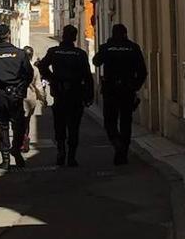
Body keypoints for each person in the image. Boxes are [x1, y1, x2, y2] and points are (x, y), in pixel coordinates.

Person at [38, 25, 94, 167]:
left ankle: (61, 151)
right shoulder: (80, 54)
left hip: (60, 94)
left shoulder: (54, 52)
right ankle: (71, 157)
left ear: (63, 36)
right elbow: (88, 76)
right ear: (74, 37)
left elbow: (42, 66)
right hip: (76, 94)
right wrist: (89, 95)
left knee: (60, 125)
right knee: (74, 127)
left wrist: (52, 79)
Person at [93, 24, 147, 165]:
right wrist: (135, 86)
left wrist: (106, 47)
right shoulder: (133, 48)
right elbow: (142, 71)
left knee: (109, 122)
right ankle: (123, 153)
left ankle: (117, 143)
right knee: (125, 122)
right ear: (125, 33)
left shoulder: (107, 48)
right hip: (127, 91)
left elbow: (96, 61)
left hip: (110, 90)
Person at [0, 24, 34, 170]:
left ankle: (5, 159)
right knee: (19, 125)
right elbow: (28, 74)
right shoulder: (20, 54)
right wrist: (21, 89)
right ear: (9, 35)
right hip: (15, 95)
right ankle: (16, 149)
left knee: (2, 126)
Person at [21, 46, 46, 153]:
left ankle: (21, 141)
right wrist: (43, 99)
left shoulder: (17, 67)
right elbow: (39, 86)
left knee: (18, 121)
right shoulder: (35, 69)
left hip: (19, 97)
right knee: (27, 121)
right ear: (31, 56)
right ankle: (25, 140)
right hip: (30, 98)